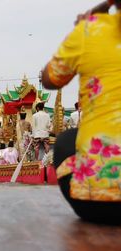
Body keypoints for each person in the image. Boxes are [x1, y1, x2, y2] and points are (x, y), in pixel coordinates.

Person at [42, 0, 121, 223]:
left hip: (97, 205)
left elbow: (48, 79)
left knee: (66, 139)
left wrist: (82, 27)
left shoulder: (89, 29)